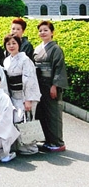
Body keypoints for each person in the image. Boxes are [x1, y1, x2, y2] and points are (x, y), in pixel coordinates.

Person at [3, 34, 41, 154]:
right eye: (8, 44)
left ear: (19, 44)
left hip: (25, 94)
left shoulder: (25, 60)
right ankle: (19, 146)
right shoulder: (6, 60)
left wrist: (28, 99)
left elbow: (29, 80)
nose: (11, 46)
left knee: (25, 120)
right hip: (14, 94)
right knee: (15, 120)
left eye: (14, 43)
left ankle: (30, 147)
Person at [33, 21, 68, 152]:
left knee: (53, 113)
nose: (42, 32)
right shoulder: (37, 48)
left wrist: (55, 85)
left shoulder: (56, 49)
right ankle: (47, 140)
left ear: (52, 32)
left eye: (45, 30)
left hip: (50, 84)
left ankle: (58, 142)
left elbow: (59, 68)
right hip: (40, 84)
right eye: (40, 30)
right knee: (42, 113)